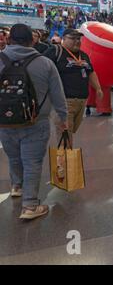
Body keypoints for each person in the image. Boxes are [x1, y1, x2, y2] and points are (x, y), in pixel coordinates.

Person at [0, 24, 68, 220]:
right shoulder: (45, 63)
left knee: (13, 157)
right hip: (36, 122)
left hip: (5, 122)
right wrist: (62, 118)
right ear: (32, 40)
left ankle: (17, 186)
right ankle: (30, 206)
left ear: (9, 39)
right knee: (32, 162)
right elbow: (57, 94)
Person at [44, 28, 103, 144]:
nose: (77, 41)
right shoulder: (55, 51)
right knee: (65, 135)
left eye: (78, 38)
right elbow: (42, 69)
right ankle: (64, 160)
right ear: (64, 39)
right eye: (73, 38)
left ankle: (66, 157)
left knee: (70, 131)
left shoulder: (84, 55)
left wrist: (98, 88)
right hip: (63, 102)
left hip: (81, 102)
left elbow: (91, 72)